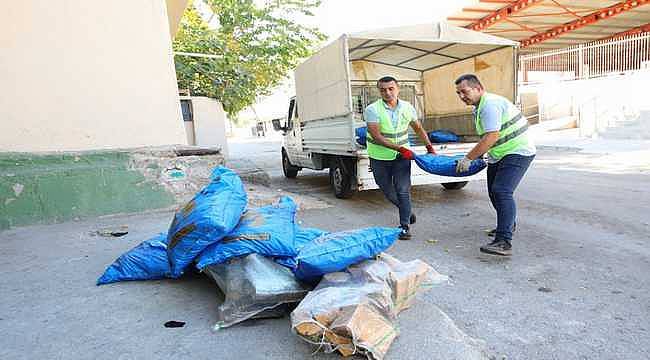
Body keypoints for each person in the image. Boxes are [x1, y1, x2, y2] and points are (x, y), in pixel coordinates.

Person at [454, 74, 536, 256]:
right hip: (499, 154)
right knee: (493, 192)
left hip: (518, 151)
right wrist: (482, 156)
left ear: (478, 88)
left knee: (502, 191)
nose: (461, 96)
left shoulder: (489, 104)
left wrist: (468, 158)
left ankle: (504, 241)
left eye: (464, 91)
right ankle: (507, 223)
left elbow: (491, 136)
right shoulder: (478, 107)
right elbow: (488, 138)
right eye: (458, 93)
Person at [364, 76, 436, 240]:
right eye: (383, 90)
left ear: (398, 89)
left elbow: (418, 129)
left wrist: (429, 147)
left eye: (391, 89)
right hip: (379, 157)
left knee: (403, 190)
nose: (387, 92)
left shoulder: (408, 107)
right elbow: (376, 136)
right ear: (379, 91)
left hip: (401, 157)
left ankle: (405, 226)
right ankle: (408, 211)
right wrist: (401, 149)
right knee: (387, 190)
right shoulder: (372, 109)